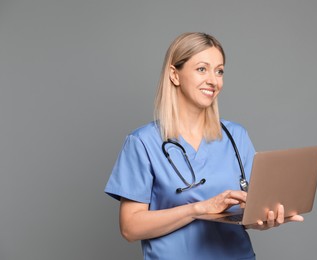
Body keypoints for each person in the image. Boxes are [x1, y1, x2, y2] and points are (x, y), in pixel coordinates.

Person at [104, 32, 303, 260]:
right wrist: (197, 209)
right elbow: (130, 228)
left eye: (219, 71)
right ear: (174, 75)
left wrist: (265, 219)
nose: (213, 80)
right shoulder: (143, 142)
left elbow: (248, 213)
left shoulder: (235, 136)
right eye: (202, 69)